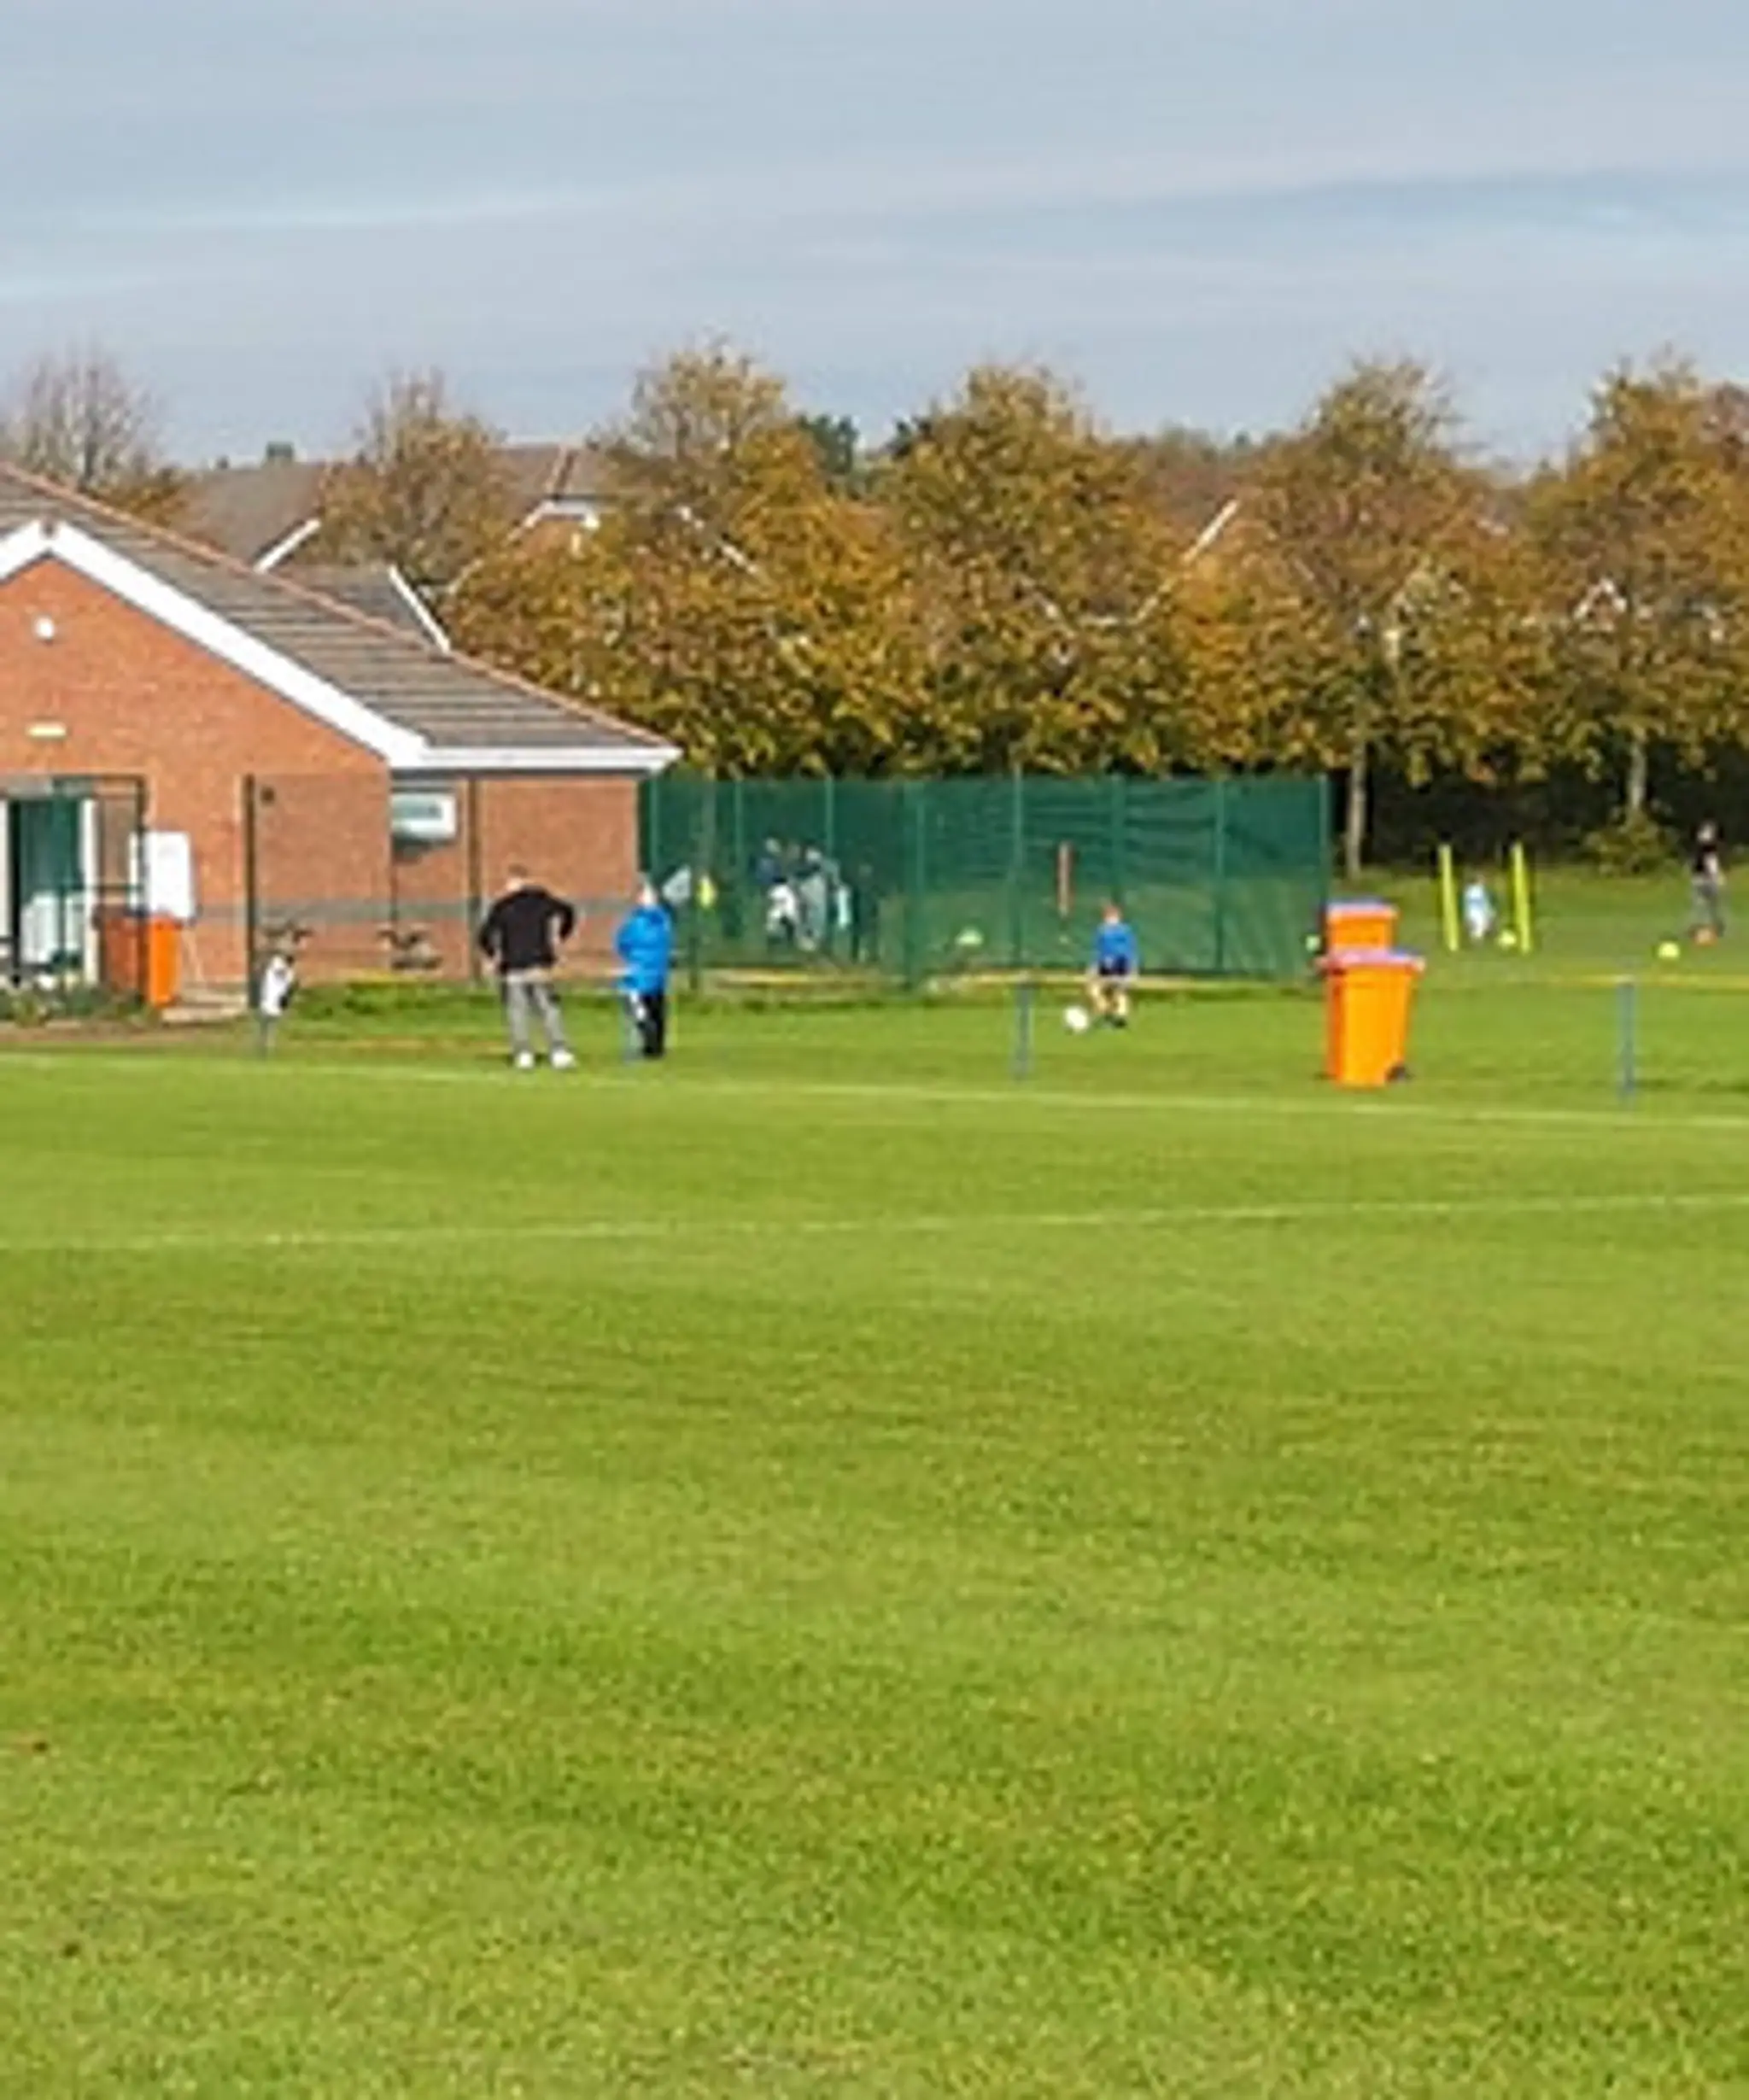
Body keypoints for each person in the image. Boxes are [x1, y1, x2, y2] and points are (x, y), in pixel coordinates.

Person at [477, 865, 578, 1069]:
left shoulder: (503, 906)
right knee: (548, 1009)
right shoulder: (543, 901)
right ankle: (559, 1050)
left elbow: (484, 935)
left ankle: (523, 1052)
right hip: (539, 962)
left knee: (518, 1011)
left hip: (513, 966)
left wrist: (493, 955)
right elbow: (568, 911)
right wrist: (560, 936)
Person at [616, 878, 674, 1058]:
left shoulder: (640, 922)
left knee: (646, 1011)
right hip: (653, 973)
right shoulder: (662, 920)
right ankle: (655, 1045)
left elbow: (623, 943)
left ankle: (652, 1045)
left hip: (642, 973)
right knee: (655, 1009)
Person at [1089, 900, 1140, 1027]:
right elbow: (1131, 950)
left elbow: (1103, 952)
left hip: (1111, 964)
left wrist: (1094, 967)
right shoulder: (1126, 930)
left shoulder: (1103, 930)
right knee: (1119, 992)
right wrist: (1133, 968)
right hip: (1122, 964)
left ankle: (1107, 1011)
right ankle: (1120, 1016)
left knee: (1096, 989)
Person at [255, 946, 297, 1056]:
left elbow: (289, 988)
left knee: (271, 1026)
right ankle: (262, 1046)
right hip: (267, 998)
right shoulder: (277, 963)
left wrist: (287, 1000)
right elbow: (279, 970)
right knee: (264, 1025)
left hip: (276, 1002)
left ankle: (267, 1047)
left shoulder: (290, 973)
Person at [1690, 822, 1726, 944]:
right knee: (1708, 906)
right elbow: (1711, 866)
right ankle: (1708, 929)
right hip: (1705, 879)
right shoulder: (1709, 852)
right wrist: (1717, 877)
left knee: (1704, 905)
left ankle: (1707, 929)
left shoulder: (1704, 851)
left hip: (1702, 879)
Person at [1462, 877, 1497, 945]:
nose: (1483, 882)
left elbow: (1467, 902)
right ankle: (1477, 939)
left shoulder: (1469, 890)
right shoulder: (1479, 890)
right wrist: (1489, 911)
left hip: (1474, 911)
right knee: (1480, 925)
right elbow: (1483, 902)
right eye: (1482, 881)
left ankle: (1477, 937)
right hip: (1477, 911)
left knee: (1481, 925)